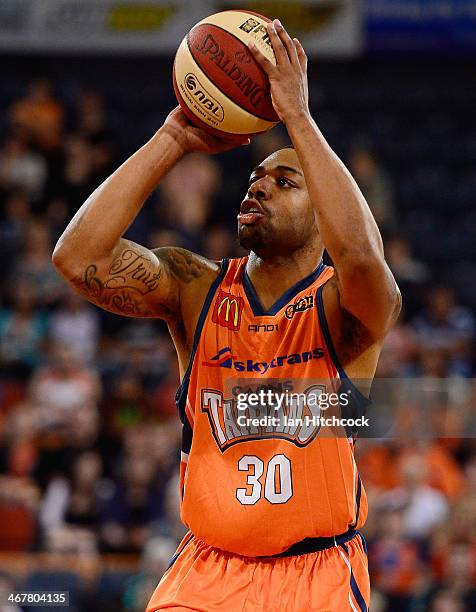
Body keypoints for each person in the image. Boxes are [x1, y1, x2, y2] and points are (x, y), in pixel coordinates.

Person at [53, 19, 400, 612]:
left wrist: (298, 118)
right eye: (254, 177)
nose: (258, 187)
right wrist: (173, 136)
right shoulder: (198, 286)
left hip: (313, 577)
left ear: (323, 214)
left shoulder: (343, 306)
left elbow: (363, 257)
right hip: (205, 572)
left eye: (284, 181)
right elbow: (78, 256)